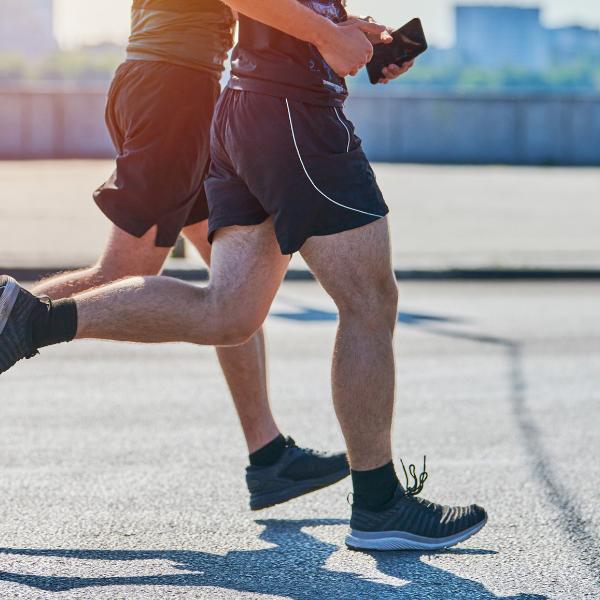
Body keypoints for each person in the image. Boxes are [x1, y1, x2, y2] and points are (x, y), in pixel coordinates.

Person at [1, 0, 488, 551]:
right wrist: (329, 37)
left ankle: (268, 454)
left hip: (228, 99)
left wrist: (347, 33)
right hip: (235, 100)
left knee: (228, 312)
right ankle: (375, 501)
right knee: (367, 300)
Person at [1, 0, 352, 513]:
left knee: (235, 282)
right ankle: (8, 314)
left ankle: (268, 453)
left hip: (175, 84)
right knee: (124, 272)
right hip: (174, 89)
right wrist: (327, 35)